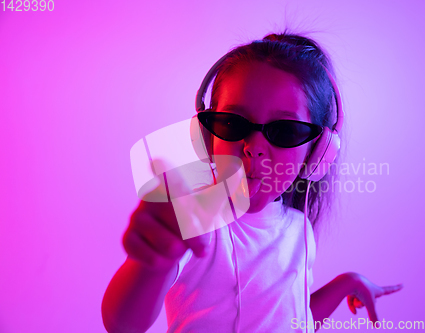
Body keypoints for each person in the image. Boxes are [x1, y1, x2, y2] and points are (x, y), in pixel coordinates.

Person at [102, 32, 403, 333]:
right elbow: (122, 323)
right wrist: (153, 262)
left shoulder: (299, 229)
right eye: (232, 123)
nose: (254, 146)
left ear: (317, 151)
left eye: (285, 130)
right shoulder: (196, 219)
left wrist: (344, 284)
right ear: (206, 138)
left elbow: (293, 321)